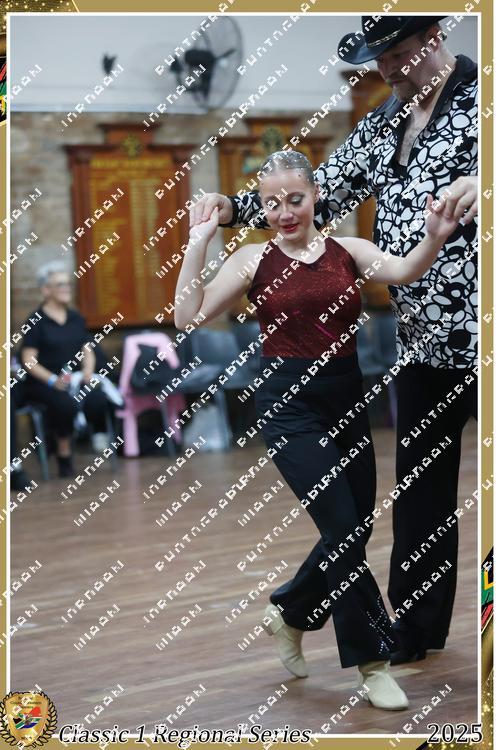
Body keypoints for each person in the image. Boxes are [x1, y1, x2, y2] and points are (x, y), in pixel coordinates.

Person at [189, 15, 478, 665]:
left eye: (399, 55)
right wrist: (233, 209)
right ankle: (412, 632)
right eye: (379, 60)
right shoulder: (384, 121)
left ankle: (298, 610)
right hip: (423, 341)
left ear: (435, 40)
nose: (387, 71)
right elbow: (319, 193)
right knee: (420, 494)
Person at [175, 149, 460, 710]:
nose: (284, 212)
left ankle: (289, 611)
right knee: (344, 531)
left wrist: (434, 236)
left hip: (346, 398)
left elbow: (405, 270)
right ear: (260, 207)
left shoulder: (348, 251)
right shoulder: (253, 260)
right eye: (271, 203)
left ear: (315, 197)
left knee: (351, 526)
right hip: (288, 405)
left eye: (295, 199)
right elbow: (187, 317)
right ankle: (372, 663)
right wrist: (198, 243)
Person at [19, 261, 110, 477]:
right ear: (46, 290)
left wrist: (88, 371)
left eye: (68, 284)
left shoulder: (76, 318)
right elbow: (28, 360)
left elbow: (87, 349)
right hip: (44, 382)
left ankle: (85, 435)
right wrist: (52, 380)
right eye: (60, 285)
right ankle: (64, 453)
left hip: (74, 379)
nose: (66, 289)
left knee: (98, 398)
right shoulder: (36, 321)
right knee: (64, 404)